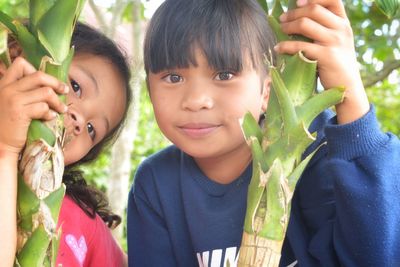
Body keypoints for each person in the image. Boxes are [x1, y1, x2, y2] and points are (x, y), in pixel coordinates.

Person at [126, 0, 400, 266]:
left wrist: (350, 95)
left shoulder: (313, 153)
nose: (196, 100)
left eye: (224, 74)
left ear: (267, 91)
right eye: (173, 78)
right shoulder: (155, 184)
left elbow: (376, 256)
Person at [0, 22, 131, 267]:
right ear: (13, 58)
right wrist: (5, 150)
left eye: (92, 130)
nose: (80, 120)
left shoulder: (83, 223)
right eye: (76, 87)